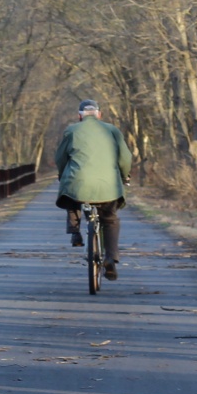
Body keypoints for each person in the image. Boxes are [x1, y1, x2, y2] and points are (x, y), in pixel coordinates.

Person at [54, 99, 132, 278]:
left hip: (79, 185)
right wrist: (124, 176)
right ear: (99, 114)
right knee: (110, 219)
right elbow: (125, 158)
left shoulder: (72, 130)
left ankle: (75, 232)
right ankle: (111, 258)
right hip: (108, 186)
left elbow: (60, 159)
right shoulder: (112, 130)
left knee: (70, 193)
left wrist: (62, 174)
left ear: (79, 116)